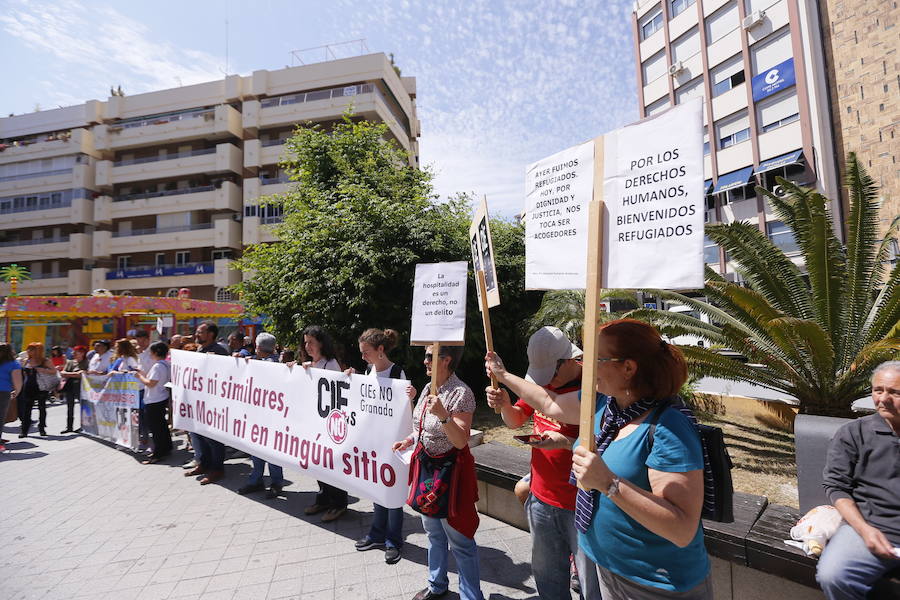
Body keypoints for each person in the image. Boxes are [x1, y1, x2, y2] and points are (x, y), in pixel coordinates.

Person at [486, 319, 712, 599]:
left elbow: (681, 528)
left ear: (628, 368)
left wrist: (609, 483)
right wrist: (503, 375)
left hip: (654, 583)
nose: (585, 364)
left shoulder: (669, 426)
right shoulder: (605, 404)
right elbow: (549, 403)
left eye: (596, 358)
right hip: (609, 569)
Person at [485, 326, 601, 600]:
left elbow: (555, 406)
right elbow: (515, 419)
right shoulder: (540, 381)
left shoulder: (594, 383)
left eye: (549, 375)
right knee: (548, 581)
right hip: (542, 497)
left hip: (582, 504)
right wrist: (504, 405)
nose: (545, 383)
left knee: (591, 587)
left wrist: (562, 441)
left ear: (567, 361)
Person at [394, 345, 484, 600]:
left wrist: (444, 415)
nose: (423, 362)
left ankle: (471, 596)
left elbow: (460, 441)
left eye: (428, 357)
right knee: (433, 533)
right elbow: (422, 427)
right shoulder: (427, 388)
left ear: (445, 360)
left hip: (450, 475)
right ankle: (437, 584)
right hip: (427, 471)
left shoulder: (461, 393)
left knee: (461, 541)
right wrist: (409, 441)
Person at [816, 361, 900, 600]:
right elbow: (836, 486)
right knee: (833, 575)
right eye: (878, 390)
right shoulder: (853, 433)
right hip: (869, 526)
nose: (883, 399)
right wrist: (864, 530)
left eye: (894, 392)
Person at [353, 328, 416, 565]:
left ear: (380, 350)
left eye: (366, 352)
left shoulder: (397, 373)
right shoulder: (368, 371)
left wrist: (411, 396)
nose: (363, 357)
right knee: (377, 490)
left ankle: (393, 541)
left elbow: (406, 410)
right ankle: (377, 534)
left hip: (394, 445)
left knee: (393, 493)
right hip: (374, 443)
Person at [301, 325, 347, 522]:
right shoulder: (311, 364)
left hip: (328, 425)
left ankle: (338, 503)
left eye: (311, 342)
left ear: (321, 343)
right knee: (318, 465)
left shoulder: (331, 365)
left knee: (330, 465)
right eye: (305, 343)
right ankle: (324, 498)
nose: (307, 346)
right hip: (314, 424)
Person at [238, 332, 286, 498]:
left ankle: (275, 482)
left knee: (270, 451)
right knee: (256, 449)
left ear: (258, 347)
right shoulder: (257, 361)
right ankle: (257, 480)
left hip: (269, 417)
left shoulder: (271, 364)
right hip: (258, 415)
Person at [184, 321, 229, 485]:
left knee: (213, 438)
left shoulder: (220, 352)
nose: (197, 335)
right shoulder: (199, 349)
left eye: (200, 332)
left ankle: (217, 469)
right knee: (198, 434)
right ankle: (204, 464)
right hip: (198, 401)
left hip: (213, 403)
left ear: (210, 334)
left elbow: (227, 375)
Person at [134, 341, 173, 464]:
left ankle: (158, 453)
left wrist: (139, 377)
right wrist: (142, 374)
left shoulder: (158, 366)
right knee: (161, 426)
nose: (149, 354)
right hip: (161, 397)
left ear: (156, 352)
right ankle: (166, 448)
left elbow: (151, 383)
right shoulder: (165, 364)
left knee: (156, 429)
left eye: (151, 352)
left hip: (154, 399)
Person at [18, 342, 57, 438]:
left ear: (37, 351)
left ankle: (42, 429)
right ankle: (24, 431)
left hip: (41, 387)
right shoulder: (26, 361)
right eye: (28, 349)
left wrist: (44, 370)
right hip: (28, 387)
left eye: (31, 349)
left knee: (42, 408)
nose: (28, 351)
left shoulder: (45, 361)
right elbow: (22, 373)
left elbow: (54, 371)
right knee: (27, 409)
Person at [60, 345, 89, 433]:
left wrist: (69, 374)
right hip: (70, 386)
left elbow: (82, 375)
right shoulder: (71, 362)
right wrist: (74, 374)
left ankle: (84, 426)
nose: (73, 353)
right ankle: (69, 426)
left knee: (83, 407)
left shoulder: (86, 362)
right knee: (70, 407)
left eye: (76, 352)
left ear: (82, 353)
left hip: (81, 387)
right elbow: (62, 372)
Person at [0, 343, 24, 444]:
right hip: (3, 392)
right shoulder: (13, 364)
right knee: (0, 416)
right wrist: (16, 392)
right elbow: (18, 381)